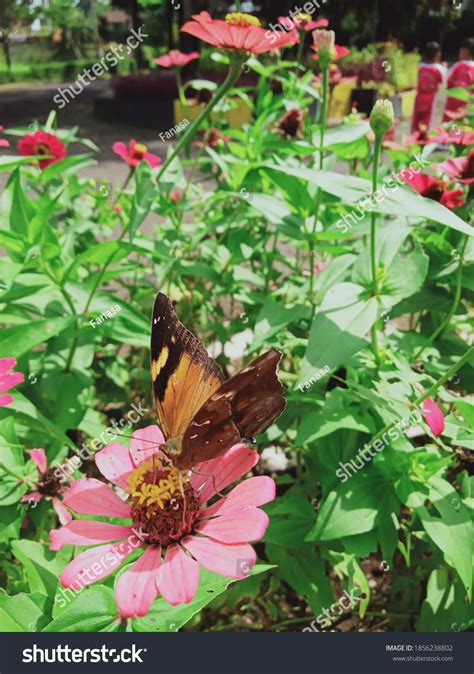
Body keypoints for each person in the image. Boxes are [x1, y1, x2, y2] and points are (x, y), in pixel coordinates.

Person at [412, 42, 447, 132]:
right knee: (427, 121)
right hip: (431, 98)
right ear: (437, 54)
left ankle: (413, 137)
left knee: (416, 119)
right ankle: (424, 139)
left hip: (419, 96)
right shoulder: (439, 69)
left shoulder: (421, 66)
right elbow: (442, 81)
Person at [443, 37, 474, 121]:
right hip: (466, 107)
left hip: (451, 106)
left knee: (448, 129)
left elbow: (448, 84)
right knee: (460, 130)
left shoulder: (457, 66)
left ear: (465, 51)